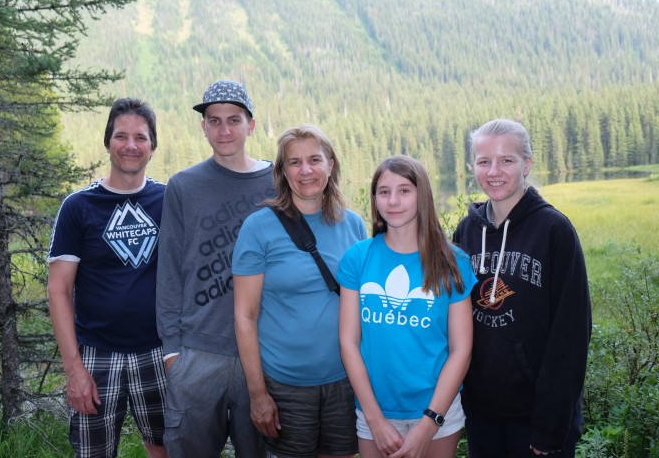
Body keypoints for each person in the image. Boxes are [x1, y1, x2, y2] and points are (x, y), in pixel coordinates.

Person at [452, 118, 592, 458]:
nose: (493, 171)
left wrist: (550, 426)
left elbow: (571, 334)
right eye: (484, 161)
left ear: (526, 164)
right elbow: (453, 321)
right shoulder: (466, 232)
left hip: (537, 417)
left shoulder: (555, 230)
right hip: (481, 414)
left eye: (506, 160)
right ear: (473, 167)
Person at [233, 124, 368, 458]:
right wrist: (258, 394)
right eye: (294, 162)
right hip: (286, 384)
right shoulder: (258, 228)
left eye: (314, 160)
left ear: (330, 165)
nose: (306, 170)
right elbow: (245, 316)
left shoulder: (353, 224)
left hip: (346, 379)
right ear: (283, 172)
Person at [155, 79, 272, 457]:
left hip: (265, 352)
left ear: (251, 125)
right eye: (215, 121)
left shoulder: (277, 183)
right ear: (203, 126)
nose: (224, 130)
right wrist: (172, 353)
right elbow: (169, 270)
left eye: (234, 120)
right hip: (197, 354)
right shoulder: (183, 186)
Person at [47, 98, 167, 458]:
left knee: (166, 447)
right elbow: (59, 290)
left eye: (140, 137)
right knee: (93, 452)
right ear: (107, 142)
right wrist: (74, 370)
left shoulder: (168, 200)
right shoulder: (78, 206)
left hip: (158, 351)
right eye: (121, 136)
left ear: (152, 146)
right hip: (96, 353)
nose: (131, 145)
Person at [337, 155, 476, 458]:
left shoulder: (453, 262)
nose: (393, 201)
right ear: (374, 198)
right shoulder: (358, 258)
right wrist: (374, 419)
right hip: (375, 411)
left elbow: (461, 349)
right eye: (384, 191)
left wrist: (429, 423)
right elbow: (348, 342)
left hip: (437, 410)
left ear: (421, 195)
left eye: (404, 190)